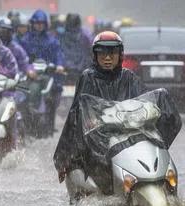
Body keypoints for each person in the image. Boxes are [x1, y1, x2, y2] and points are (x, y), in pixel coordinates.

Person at [53, 31, 150, 193]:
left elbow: (144, 104)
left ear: (120, 55)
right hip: (95, 140)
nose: (107, 58)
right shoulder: (88, 78)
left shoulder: (129, 78)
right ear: (95, 55)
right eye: (102, 53)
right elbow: (75, 116)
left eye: (112, 53)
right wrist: (64, 156)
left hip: (125, 137)